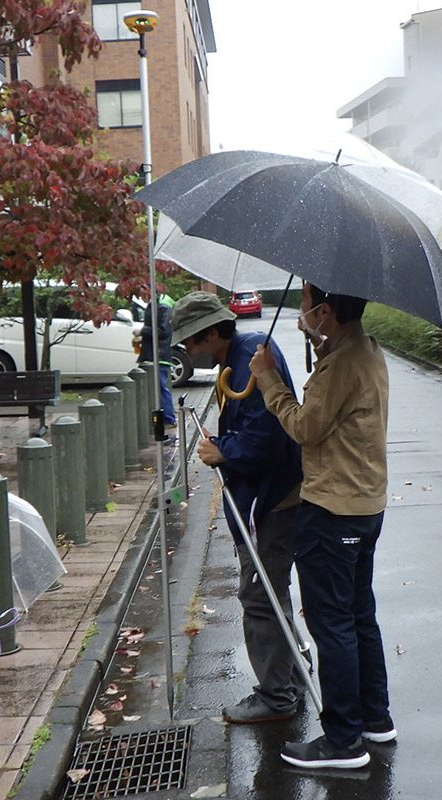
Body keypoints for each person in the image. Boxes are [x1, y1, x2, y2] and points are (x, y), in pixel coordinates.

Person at [249, 282, 396, 770]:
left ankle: (343, 741)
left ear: (325, 311)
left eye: (305, 304)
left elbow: (305, 427)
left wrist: (269, 380)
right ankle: (375, 720)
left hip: (333, 511)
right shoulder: (363, 348)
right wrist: (319, 344)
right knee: (357, 616)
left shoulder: (341, 363)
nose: (300, 311)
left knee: (331, 624)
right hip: (364, 506)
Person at [171, 291, 305, 723]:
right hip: (273, 495)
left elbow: (266, 440)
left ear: (211, 333)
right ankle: (291, 678)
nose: (189, 351)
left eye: (191, 342)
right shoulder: (247, 350)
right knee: (272, 590)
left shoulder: (252, 356)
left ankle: (276, 696)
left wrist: (222, 450)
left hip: (273, 499)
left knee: (260, 593)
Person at [138, 287, 176, 427]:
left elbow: (162, 330)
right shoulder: (158, 303)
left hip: (159, 353)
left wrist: (142, 331)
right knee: (159, 387)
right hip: (156, 352)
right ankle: (166, 418)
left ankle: (168, 418)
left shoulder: (162, 305)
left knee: (160, 387)